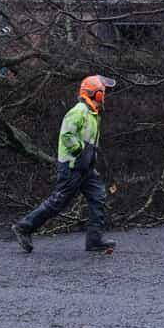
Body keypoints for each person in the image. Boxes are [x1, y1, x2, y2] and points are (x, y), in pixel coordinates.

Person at [13, 74, 116, 254]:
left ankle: (94, 240)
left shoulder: (93, 113)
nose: (104, 96)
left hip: (86, 168)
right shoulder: (79, 111)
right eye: (103, 92)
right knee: (58, 202)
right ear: (96, 94)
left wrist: (90, 159)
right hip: (72, 166)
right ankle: (24, 227)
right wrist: (78, 152)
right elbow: (66, 135)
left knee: (98, 197)